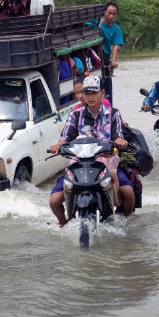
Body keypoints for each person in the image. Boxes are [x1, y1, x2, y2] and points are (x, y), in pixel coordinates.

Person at [48, 75, 133, 226]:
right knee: (54, 201)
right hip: (78, 164)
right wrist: (58, 145)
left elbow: (118, 135)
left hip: (107, 162)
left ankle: (125, 223)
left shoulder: (114, 113)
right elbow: (66, 136)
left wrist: (120, 141)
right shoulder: (75, 114)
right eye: (87, 93)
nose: (90, 96)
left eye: (94, 92)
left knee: (128, 193)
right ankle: (63, 224)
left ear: (103, 92)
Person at [98, 2, 124, 104]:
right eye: (109, 13)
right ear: (104, 12)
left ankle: (108, 106)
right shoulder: (96, 23)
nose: (111, 16)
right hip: (93, 55)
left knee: (107, 84)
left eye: (114, 14)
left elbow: (116, 45)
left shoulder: (116, 29)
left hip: (105, 57)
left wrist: (113, 60)